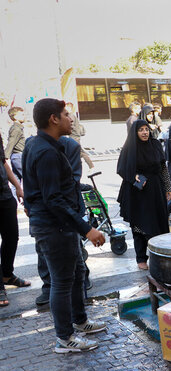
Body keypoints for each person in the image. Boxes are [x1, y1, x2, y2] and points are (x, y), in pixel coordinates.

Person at [22, 98, 107, 353]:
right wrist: (87, 229)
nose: (71, 119)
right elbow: (53, 200)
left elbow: (32, 188)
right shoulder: (46, 151)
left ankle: (80, 321)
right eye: (66, 114)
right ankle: (64, 338)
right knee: (61, 282)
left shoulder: (41, 144)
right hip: (54, 227)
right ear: (53, 119)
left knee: (77, 273)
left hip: (60, 225)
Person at [36, 136, 93, 306]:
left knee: (75, 258)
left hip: (67, 211)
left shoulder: (70, 145)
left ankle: (82, 285)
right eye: (65, 114)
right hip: (47, 215)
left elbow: (72, 181)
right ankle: (48, 287)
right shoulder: (36, 146)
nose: (70, 118)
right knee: (45, 254)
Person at [117, 120, 170, 270]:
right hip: (137, 192)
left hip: (156, 189)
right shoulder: (129, 148)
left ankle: (161, 255)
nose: (145, 132)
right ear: (135, 132)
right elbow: (121, 168)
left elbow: (163, 168)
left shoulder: (156, 144)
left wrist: (168, 188)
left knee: (159, 222)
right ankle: (141, 258)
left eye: (146, 129)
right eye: (141, 130)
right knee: (139, 226)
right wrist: (133, 175)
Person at [0, 133, 27, 307]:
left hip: (4, 195)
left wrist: (17, 186)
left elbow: (3, 162)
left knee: (12, 237)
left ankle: (7, 274)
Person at [65, 102, 94, 170]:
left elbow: (71, 126)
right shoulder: (73, 116)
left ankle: (91, 166)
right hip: (75, 137)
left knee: (80, 153)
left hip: (74, 137)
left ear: (70, 108)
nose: (65, 109)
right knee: (78, 153)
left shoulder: (70, 116)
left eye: (66, 107)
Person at [5, 106, 26, 199]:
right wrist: (5, 156)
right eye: (22, 114)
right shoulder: (16, 129)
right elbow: (11, 142)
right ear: (15, 117)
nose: (24, 115)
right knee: (28, 177)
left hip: (16, 156)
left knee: (16, 180)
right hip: (18, 156)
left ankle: (16, 201)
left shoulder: (17, 128)